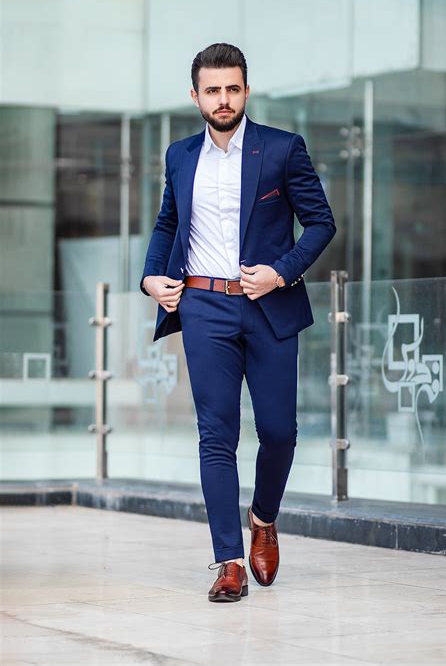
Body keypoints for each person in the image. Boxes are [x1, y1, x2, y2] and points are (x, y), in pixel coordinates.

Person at [140, 42, 336, 603]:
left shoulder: (281, 149)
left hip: (268, 305)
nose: (223, 99)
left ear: (246, 90)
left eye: (232, 88)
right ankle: (228, 561)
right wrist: (152, 277)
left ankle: (264, 519)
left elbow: (321, 223)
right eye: (212, 90)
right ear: (195, 95)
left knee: (279, 431)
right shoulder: (180, 155)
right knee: (215, 434)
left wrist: (280, 272)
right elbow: (166, 223)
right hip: (203, 305)